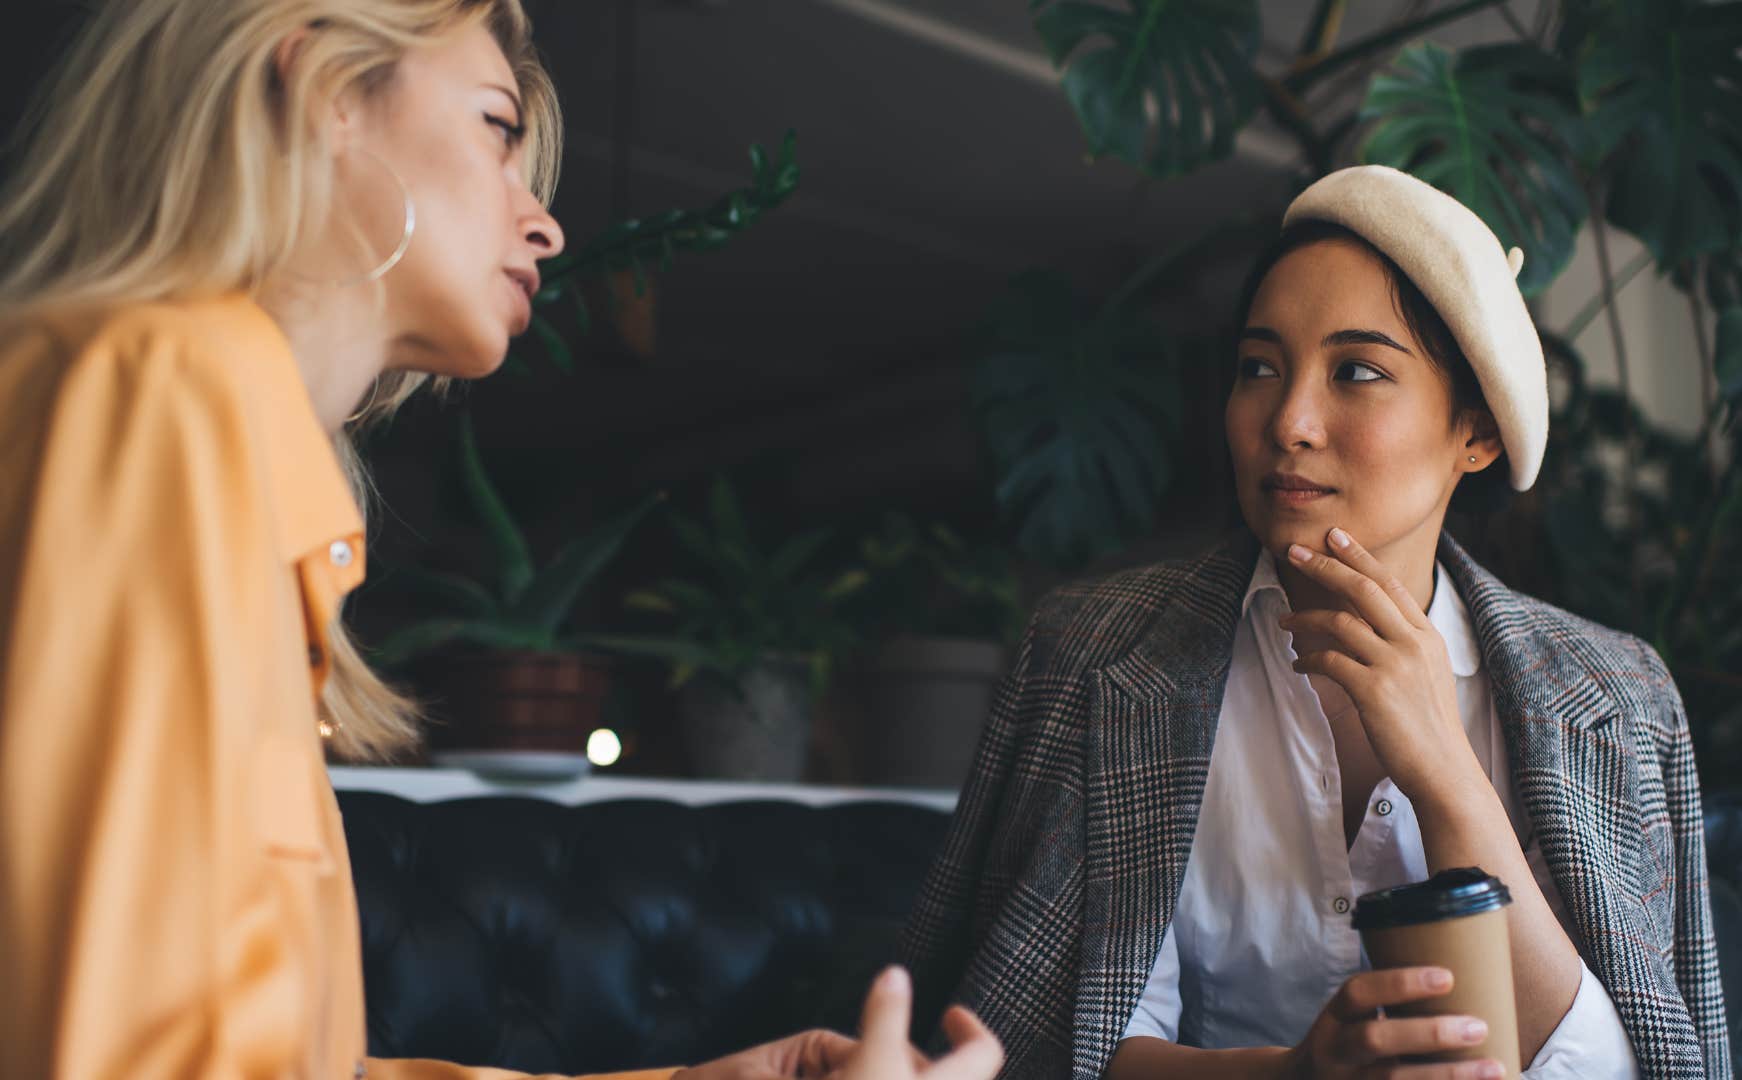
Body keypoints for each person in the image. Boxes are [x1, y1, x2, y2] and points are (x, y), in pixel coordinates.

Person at [0, 3, 1003, 1079]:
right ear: (327, 95)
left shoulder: (199, 426)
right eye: (495, 128)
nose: (547, 225)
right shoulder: (159, 392)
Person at [899, 166, 1729, 1080]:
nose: (1288, 420)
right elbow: (1053, 1040)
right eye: (1260, 367)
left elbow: (1624, 1063)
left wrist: (1448, 778)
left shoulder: (1617, 694)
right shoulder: (1093, 653)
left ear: (1477, 433)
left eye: (1358, 372)